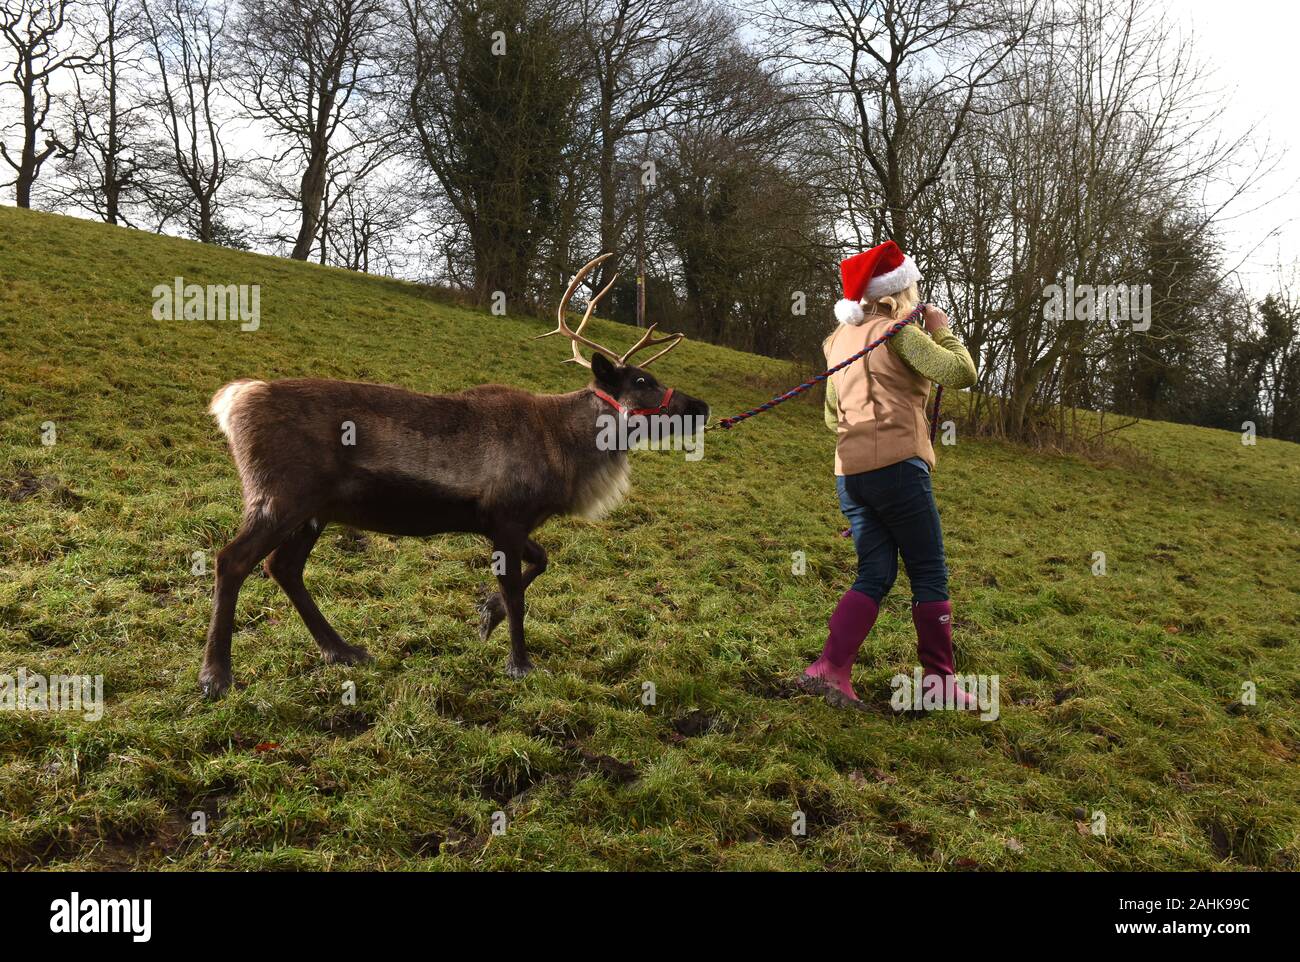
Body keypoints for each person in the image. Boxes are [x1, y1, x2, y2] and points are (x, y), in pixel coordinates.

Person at [799, 240, 978, 710]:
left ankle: (829, 668)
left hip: (850, 472)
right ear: (901, 291)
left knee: (875, 571)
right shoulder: (898, 332)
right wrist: (942, 331)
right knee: (929, 571)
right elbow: (960, 372)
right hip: (898, 466)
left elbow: (830, 417)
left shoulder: (836, 340)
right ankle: (938, 684)